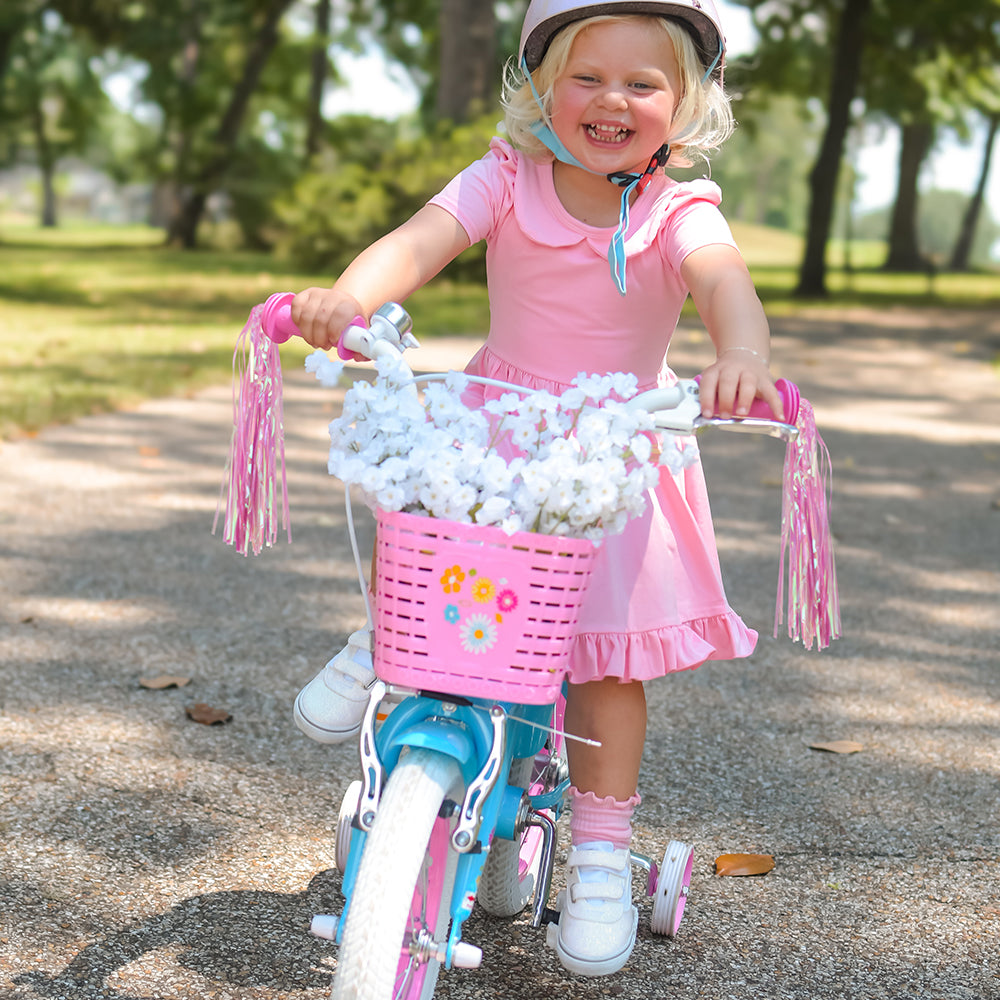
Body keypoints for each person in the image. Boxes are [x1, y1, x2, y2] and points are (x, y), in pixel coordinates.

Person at [291, 0, 782, 978]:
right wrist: (353, 295)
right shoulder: (505, 179)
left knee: (602, 660)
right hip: (502, 425)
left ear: (682, 106)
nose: (611, 99)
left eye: (641, 83)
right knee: (432, 508)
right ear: (544, 89)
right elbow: (420, 240)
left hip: (616, 447)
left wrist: (744, 351)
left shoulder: (679, 208)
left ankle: (599, 849)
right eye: (586, 76)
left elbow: (721, 278)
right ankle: (382, 639)